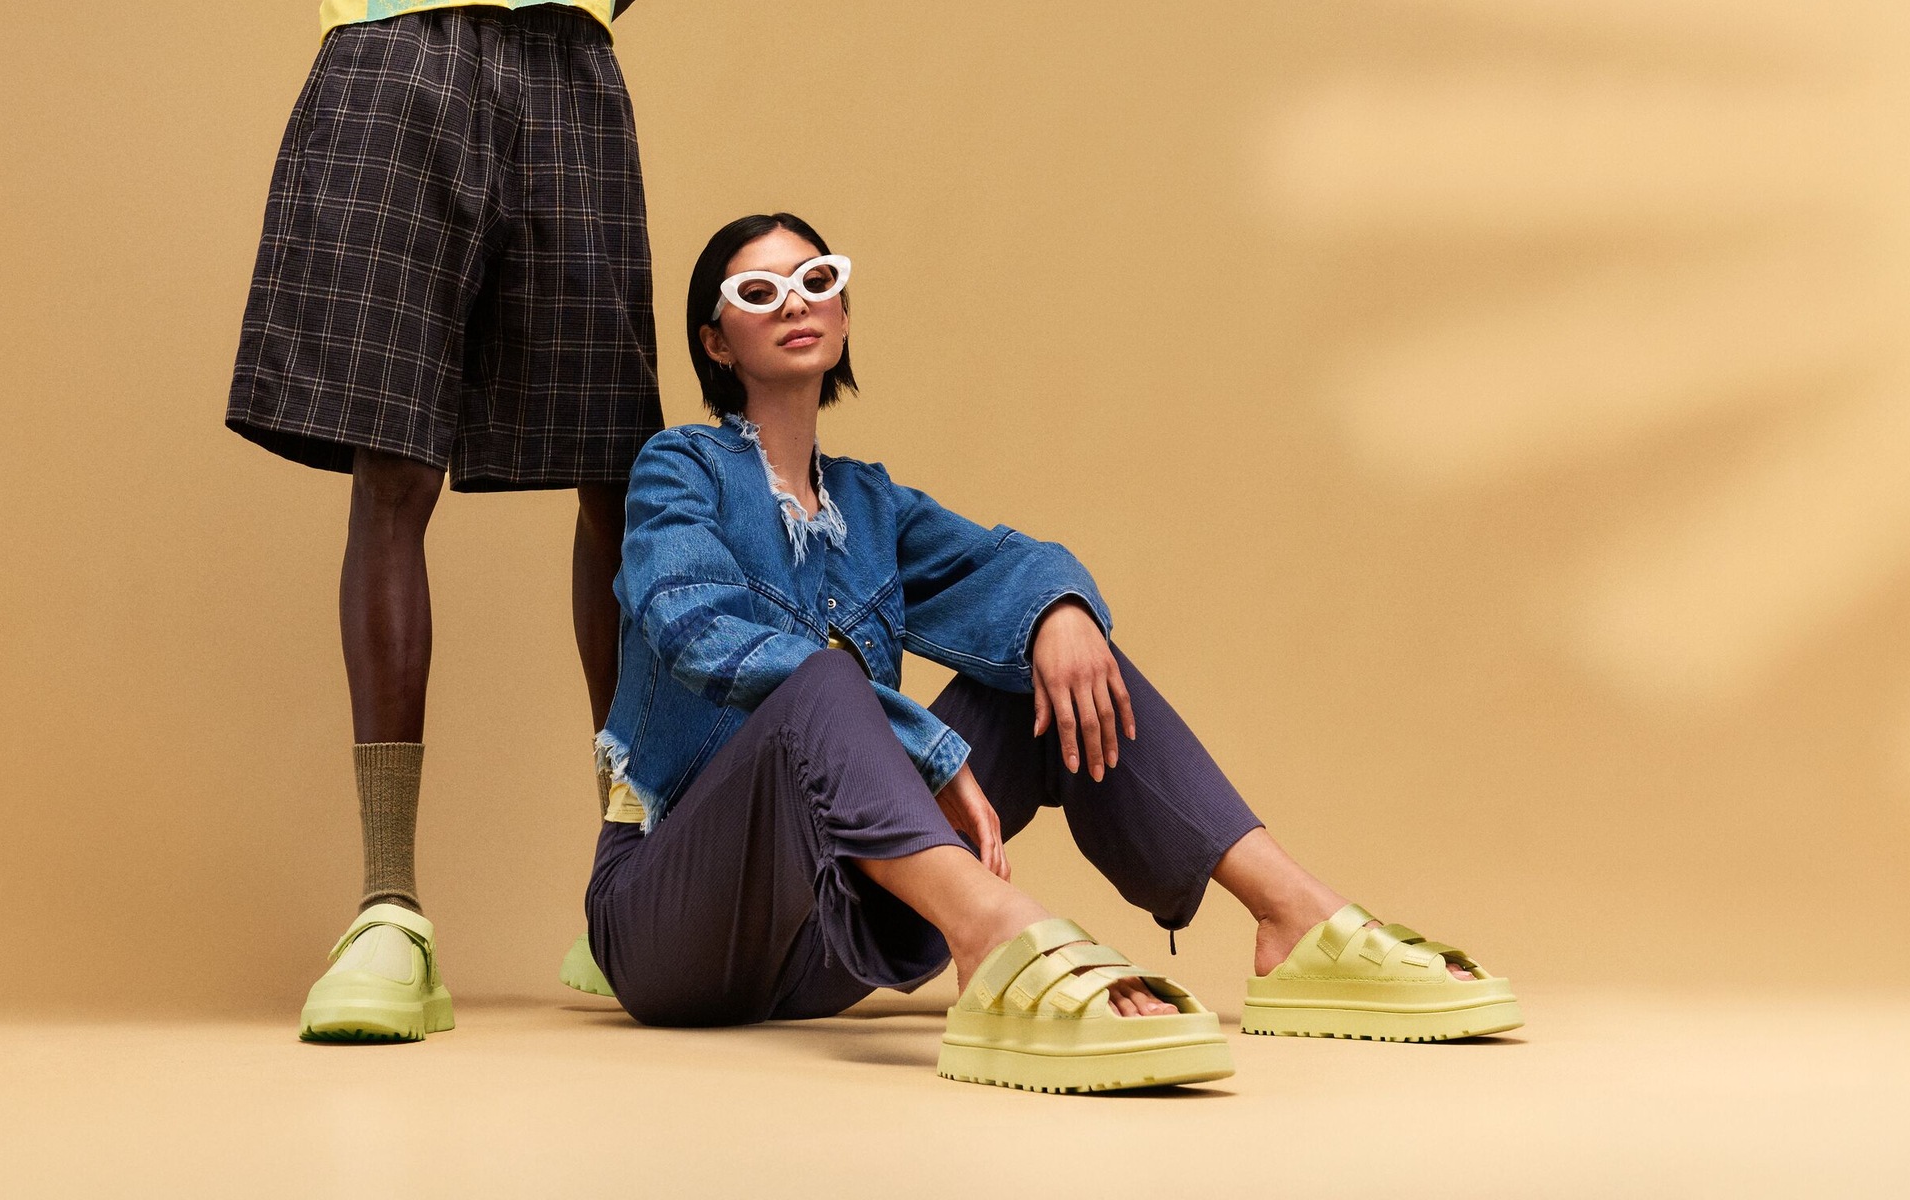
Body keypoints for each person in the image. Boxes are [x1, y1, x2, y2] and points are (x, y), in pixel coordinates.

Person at [584, 213, 1521, 1092]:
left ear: (843, 310)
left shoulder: (866, 503)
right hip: (673, 928)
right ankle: (996, 934)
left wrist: (1058, 613)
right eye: (758, 293)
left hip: (827, 934)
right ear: (717, 342)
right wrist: (921, 742)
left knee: (1045, 667)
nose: (795, 302)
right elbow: (693, 626)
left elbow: (1010, 563)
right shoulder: (680, 469)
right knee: (822, 677)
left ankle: (1292, 921)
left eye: (815, 280)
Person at [226, 0, 716, 1044]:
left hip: (564, 71)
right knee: (393, 471)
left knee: (612, 476)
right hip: (392, 74)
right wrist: (444, 14)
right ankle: (390, 910)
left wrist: (530, 5)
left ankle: (625, 881)